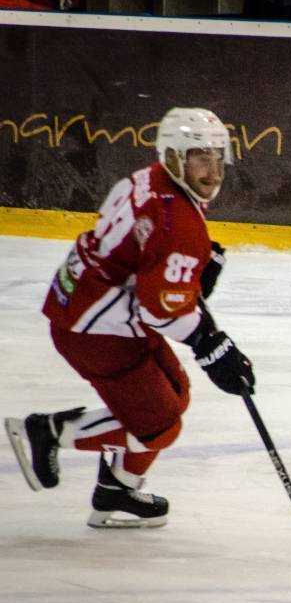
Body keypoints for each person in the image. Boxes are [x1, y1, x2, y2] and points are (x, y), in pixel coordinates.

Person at [4, 108, 256, 529]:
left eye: (216, 156)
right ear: (175, 156)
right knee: (160, 427)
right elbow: (160, 311)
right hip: (95, 330)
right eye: (199, 157)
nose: (212, 170)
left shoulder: (152, 180)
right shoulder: (180, 223)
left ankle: (116, 491)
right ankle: (50, 431)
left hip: (88, 306)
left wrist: (187, 277)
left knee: (175, 393)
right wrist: (213, 347)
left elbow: (142, 257)